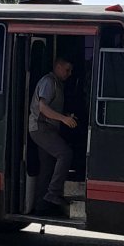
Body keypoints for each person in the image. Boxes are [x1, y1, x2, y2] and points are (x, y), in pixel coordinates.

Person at [29, 57, 77, 216]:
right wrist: (64, 119)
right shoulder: (49, 82)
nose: (69, 74)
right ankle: (53, 193)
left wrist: (65, 116)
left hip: (47, 129)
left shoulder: (56, 83)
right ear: (57, 66)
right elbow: (43, 108)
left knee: (47, 167)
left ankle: (41, 206)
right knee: (65, 153)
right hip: (41, 128)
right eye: (67, 69)